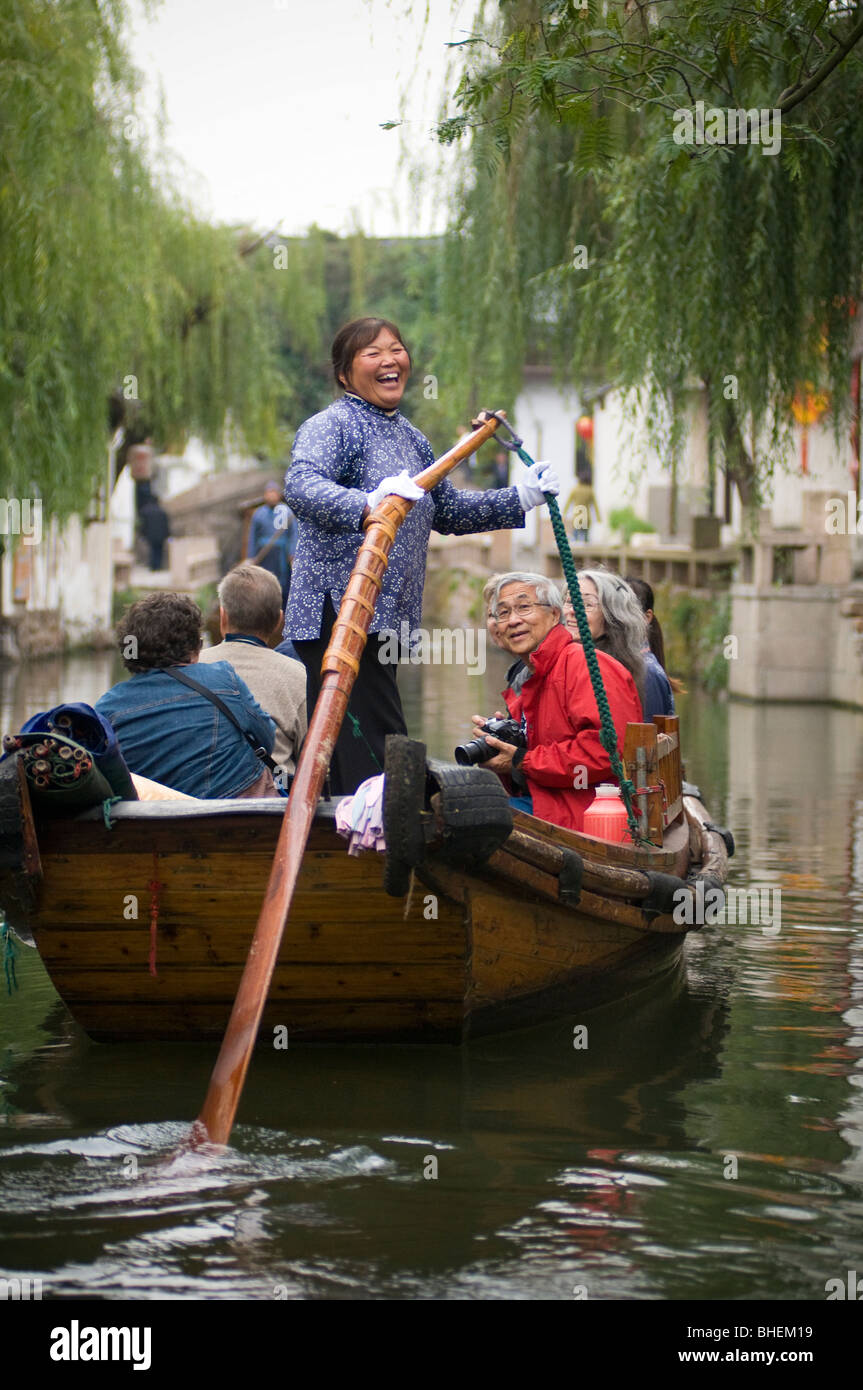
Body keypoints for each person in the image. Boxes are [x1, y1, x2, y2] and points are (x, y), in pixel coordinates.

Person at [283, 315, 560, 795]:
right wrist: (366, 502)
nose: (390, 360)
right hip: (340, 613)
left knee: (372, 739)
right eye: (373, 353)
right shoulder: (331, 425)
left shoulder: (411, 436)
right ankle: (367, 836)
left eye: (396, 348)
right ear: (345, 374)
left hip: (385, 617)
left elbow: (447, 511)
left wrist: (522, 498)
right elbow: (301, 486)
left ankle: (367, 828)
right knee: (365, 741)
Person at [470, 572, 642, 832]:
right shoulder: (533, 677)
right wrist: (503, 749)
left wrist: (522, 760)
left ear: (553, 614)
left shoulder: (587, 666)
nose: (513, 621)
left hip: (589, 814)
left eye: (524, 607)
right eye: (502, 613)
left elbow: (604, 751)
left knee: (469, 818)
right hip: (545, 802)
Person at [96, 592, 277, 799]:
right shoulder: (224, 680)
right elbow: (267, 740)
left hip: (150, 820)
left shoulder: (107, 708)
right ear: (195, 648)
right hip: (233, 814)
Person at [198, 563, 307, 782]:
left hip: (201, 800)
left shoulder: (193, 667)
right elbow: (310, 756)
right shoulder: (298, 675)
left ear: (223, 617)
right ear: (279, 621)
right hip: (272, 804)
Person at [562, 567, 647, 708]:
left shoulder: (607, 673)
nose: (572, 611)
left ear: (611, 617)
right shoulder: (557, 661)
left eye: (586, 604)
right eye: (570, 601)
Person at [625, 575, 680, 720]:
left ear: (647, 617)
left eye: (626, 612)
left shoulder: (647, 673)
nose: (617, 618)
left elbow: (650, 738)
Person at [247, 481, 297, 607]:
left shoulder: (287, 512)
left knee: (283, 585)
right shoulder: (258, 514)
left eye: (274, 493)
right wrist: (252, 556)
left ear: (279, 495)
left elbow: (293, 534)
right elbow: (253, 536)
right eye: (269, 493)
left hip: (282, 556)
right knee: (264, 583)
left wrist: (292, 553)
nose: (271, 496)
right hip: (264, 555)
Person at [562, 466, 600, 543]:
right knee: (586, 538)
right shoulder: (590, 490)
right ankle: (587, 553)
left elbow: (568, 503)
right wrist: (598, 518)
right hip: (586, 517)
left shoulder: (575, 490)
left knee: (575, 538)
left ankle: (574, 553)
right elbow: (595, 506)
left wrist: (564, 514)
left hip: (577, 516)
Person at [138, 496, 171, 571]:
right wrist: (168, 535)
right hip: (161, 535)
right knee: (159, 551)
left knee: (152, 550)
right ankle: (158, 566)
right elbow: (166, 525)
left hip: (150, 535)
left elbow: (144, 524)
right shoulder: (162, 512)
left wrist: (142, 534)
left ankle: (153, 566)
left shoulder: (146, 511)